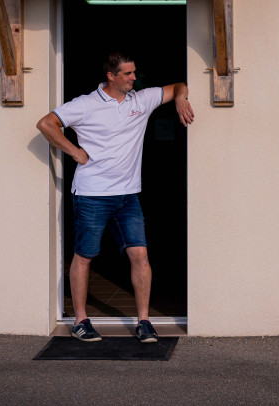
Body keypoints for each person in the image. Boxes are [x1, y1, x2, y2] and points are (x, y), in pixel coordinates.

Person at [36, 52, 194, 343]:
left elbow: (179, 86)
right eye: (127, 74)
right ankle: (81, 320)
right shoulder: (85, 105)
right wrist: (74, 152)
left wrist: (181, 99)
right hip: (92, 194)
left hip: (128, 196)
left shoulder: (141, 100)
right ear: (111, 76)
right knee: (85, 256)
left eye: (134, 72)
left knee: (140, 255)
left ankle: (143, 321)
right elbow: (46, 124)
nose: (134, 77)